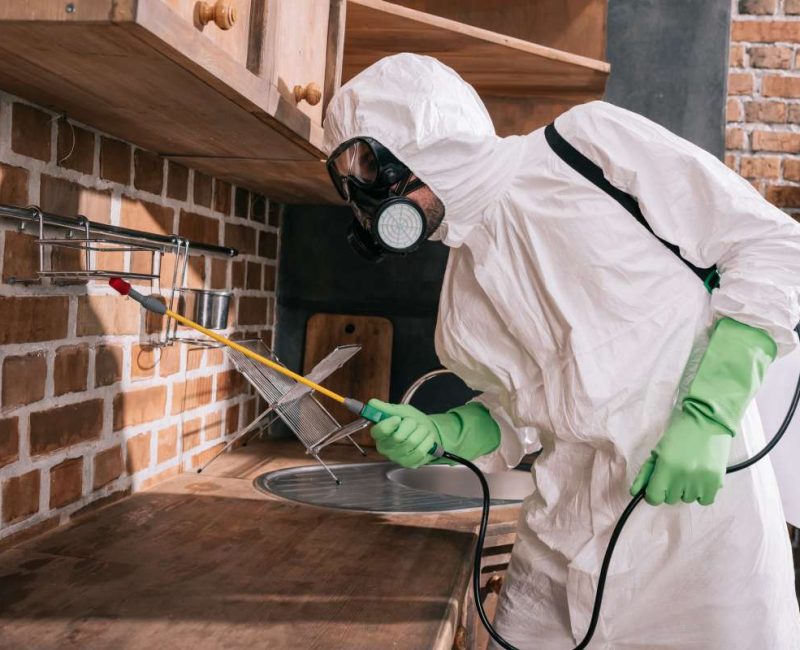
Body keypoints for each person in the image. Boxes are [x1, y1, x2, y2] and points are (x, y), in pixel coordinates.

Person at [323, 53, 800, 649]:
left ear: (422, 138)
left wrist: (709, 416)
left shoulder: (586, 147)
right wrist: (440, 431)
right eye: (349, 179)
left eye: (366, 164)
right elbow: (515, 421)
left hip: (699, 540)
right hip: (557, 549)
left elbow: (771, 247)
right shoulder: (462, 301)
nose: (362, 200)